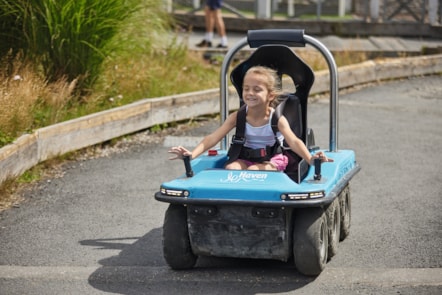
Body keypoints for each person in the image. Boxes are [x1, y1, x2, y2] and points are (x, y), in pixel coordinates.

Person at [169, 66, 332, 170]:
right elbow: (212, 138)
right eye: (246, 89)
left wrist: (310, 159)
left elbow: (295, 142)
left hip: (273, 159)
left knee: (256, 171)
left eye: (257, 89)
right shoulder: (237, 117)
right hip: (245, 158)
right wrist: (192, 154)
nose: (250, 93)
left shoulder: (276, 119)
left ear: (270, 96)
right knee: (231, 169)